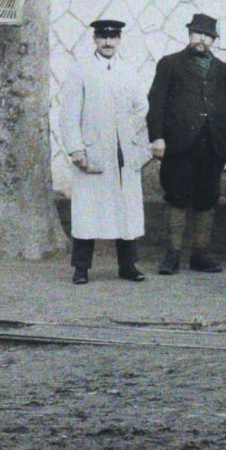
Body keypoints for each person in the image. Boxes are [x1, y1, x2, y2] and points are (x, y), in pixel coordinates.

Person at [147, 12, 226, 274]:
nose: (202, 39)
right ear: (189, 35)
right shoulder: (170, 64)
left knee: (206, 198)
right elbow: (156, 103)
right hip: (178, 145)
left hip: (213, 145)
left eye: (207, 35)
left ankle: (200, 254)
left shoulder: (222, 70)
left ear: (213, 40)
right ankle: (172, 255)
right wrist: (157, 136)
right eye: (197, 33)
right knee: (176, 197)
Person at [59, 18, 150, 284]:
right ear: (95, 40)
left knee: (126, 210)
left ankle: (128, 266)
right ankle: (81, 268)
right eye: (103, 37)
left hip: (123, 151)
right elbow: (69, 115)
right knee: (88, 212)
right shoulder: (81, 71)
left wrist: (127, 129)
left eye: (113, 37)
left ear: (119, 40)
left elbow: (141, 107)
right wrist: (77, 149)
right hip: (94, 151)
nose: (108, 42)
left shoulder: (128, 71)